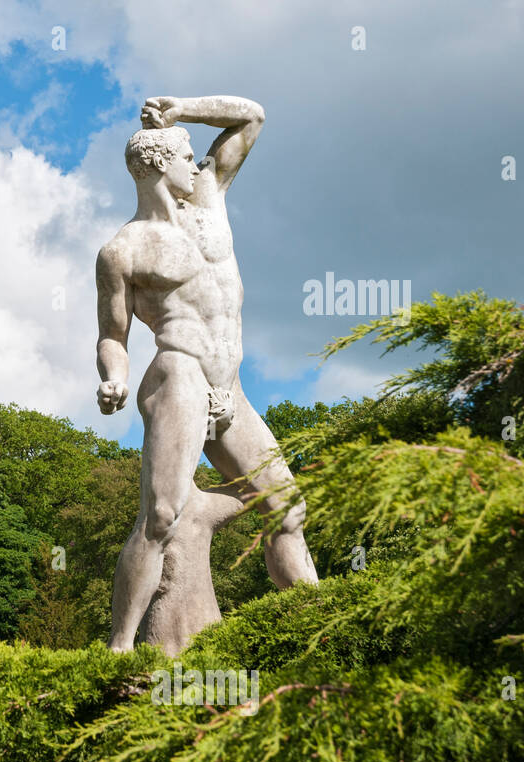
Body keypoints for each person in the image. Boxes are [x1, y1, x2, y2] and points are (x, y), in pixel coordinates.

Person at [95, 95, 318, 653]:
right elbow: (112, 334)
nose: (197, 164)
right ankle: (117, 654)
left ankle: (320, 632)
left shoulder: (210, 198)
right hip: (179, 375)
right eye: (186, 156)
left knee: (288, 511)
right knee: (162, 516)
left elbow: (253, 116)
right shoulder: (123, 250)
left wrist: (182, 109)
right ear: (154, 165)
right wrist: (112, 377)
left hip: (231, 388)